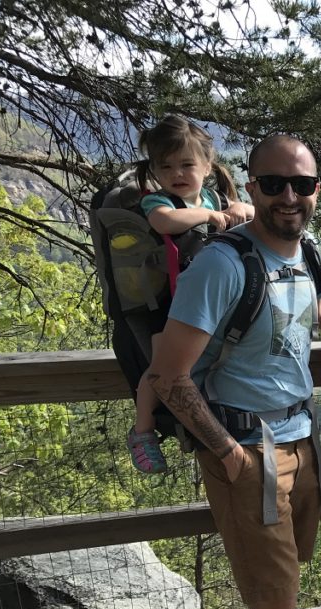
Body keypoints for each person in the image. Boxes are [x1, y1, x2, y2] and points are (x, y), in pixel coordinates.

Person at [145, 134, 321, 609]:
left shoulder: (302, 256)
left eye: (302, 184)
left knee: (286, 582)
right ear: (250, 188)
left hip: (301, 439)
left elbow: (306, 308)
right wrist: (232, 456)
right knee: (272, 596)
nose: (289, 196)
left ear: (317, 190)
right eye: (273, 184)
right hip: (249, 450)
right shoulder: (222, 264)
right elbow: (170, 377)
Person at [127, 115, 255, 474]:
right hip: (164, 301)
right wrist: (210, 216)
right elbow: (165, 223)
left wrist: (239, 209)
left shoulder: (215, 198)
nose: (177, 173)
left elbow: (249, 217)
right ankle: (142, 430)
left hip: (203, 301)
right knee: (160, 368)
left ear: (207, 166)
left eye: (186, 164)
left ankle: (201, 421)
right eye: (166, 166)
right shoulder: (157, 201)